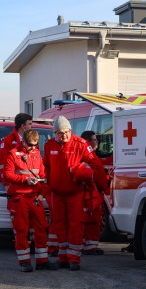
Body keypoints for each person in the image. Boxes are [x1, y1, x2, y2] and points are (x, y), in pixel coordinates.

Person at [43, 116, 106, 271]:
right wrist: (46, 189)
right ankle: (62, 257)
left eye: (65, 132)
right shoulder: (50, 145)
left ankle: (74, 258)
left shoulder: (81, 144)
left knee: (75, 226)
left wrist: (83, 172)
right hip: (57, 194)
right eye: (59, 133)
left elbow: (95, 164)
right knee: (59, 226)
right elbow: (45, 168)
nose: (63, 136)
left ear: (70, 130)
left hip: (75, 193)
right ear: (55, 133)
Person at [3, 129, 58, 272]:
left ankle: (42, 261)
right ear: (23, 141)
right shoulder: (13, 154)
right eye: (30, 145)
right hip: (19, 198)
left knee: (41, 228)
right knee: (21, 230)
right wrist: (25, 180)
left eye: (35, 144)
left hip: (34, 197)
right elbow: (7, 175)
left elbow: (42, 175)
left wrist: (42, 193)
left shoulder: (36, 154)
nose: (33, 147)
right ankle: (24, 262)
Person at [80, 131, 108, 255]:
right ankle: (90, 247)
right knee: (92, 220)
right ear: (88, 142)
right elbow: (98, 175)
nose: (96, 142)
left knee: (87, 220)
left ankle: (86, 245)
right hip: (91, 193)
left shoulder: (86, 154)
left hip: (90, 192)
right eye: (94, 139)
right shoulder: (90, 156)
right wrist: (106, 187)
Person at [0, 113, 33, 183]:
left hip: (31, 183)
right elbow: (3, 164)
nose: (31, 127)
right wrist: (6, 183)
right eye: (29, 124)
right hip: (15, 184)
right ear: (23, 126)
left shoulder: (32, 140)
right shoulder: (8, 141)